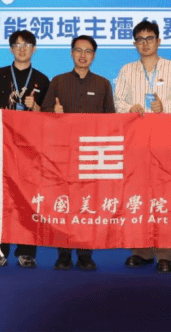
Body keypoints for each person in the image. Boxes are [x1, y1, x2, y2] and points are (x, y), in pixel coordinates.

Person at [114, 20, 171, 273]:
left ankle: (165, 254)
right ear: (134, 44)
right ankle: (141, 251)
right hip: (136, 141)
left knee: (165, 197)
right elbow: (118, 102)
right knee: (137, 195)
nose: (145, 43)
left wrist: (164, 106)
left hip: (166, 141)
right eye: (140, 39)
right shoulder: (127, 70)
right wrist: (130, 108)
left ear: (159, 41)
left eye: (150, 38)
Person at [0, 30, 50, 268]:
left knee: (29, 200)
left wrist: (36, 107)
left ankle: (26, 251)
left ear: (34, 49)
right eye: (17, 45)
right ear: (10, 49)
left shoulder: (42, 80)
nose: (22, 48)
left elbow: (49, 118)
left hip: (30, 152)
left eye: (27, 44)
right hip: (0, 149)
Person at [41, 35, 115, 270]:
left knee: (87, 204)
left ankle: (85, 253)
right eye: (78, 50)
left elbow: (111, 121)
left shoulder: (103, 84)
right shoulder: (58, 81)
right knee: (63, 203)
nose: (83, 55)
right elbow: (43, 115)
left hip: (91, 155)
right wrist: (53, 112)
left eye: (88, 51)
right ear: (71, 53)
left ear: (94, 55)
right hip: (63, 154)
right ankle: (63, 254)